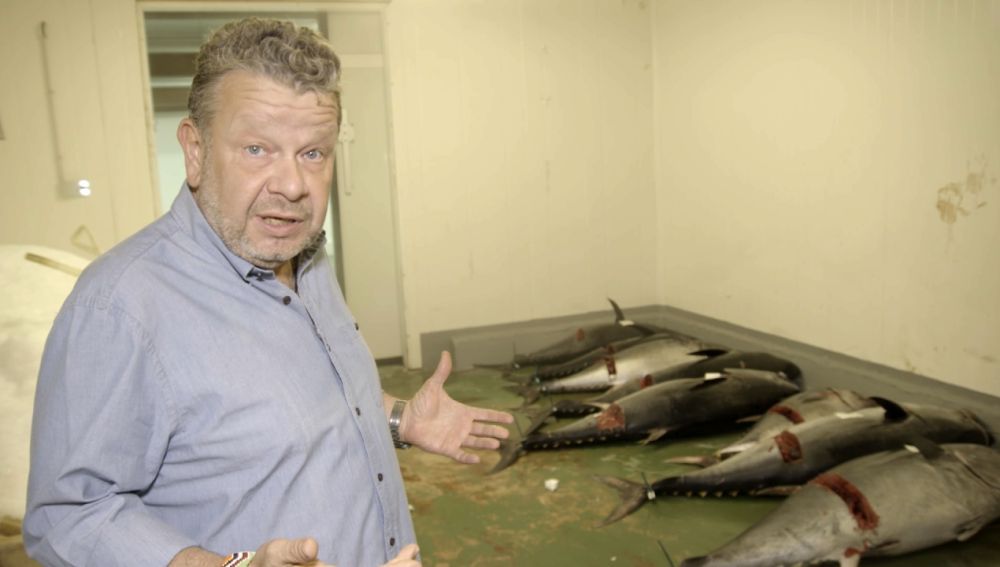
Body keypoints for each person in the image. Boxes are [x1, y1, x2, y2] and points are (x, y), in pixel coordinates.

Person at [24, 17, 513, 567]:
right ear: (195, 150)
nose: (293, 185)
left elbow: (304, 407)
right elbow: (67, 518)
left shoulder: (305, 257)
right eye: (257, 149)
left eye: (313, 153)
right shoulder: (119, 307)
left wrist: (401, 419)